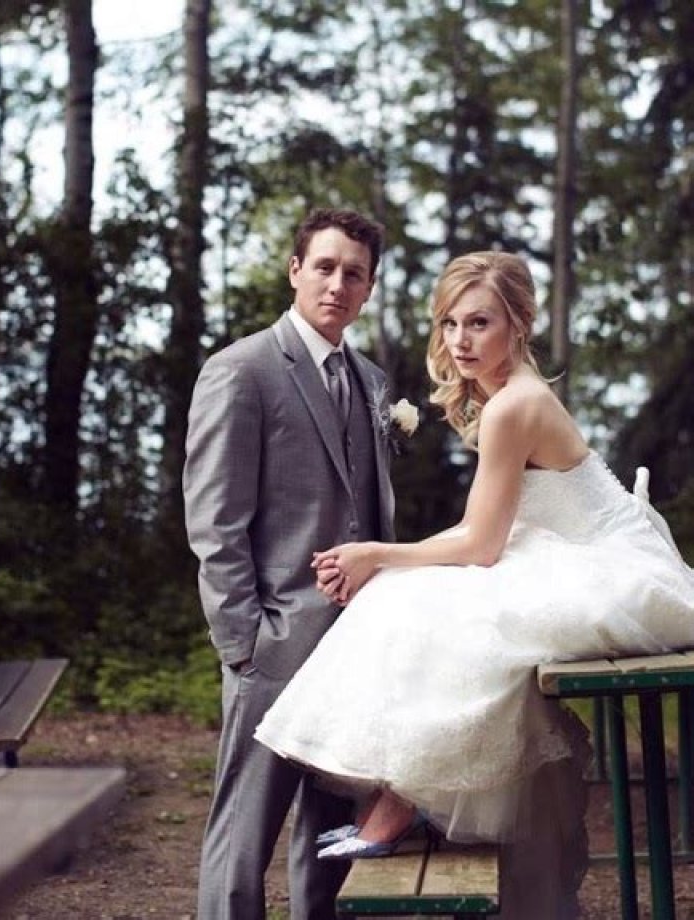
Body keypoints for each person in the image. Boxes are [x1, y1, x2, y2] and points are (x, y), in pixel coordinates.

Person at [255, 250, 694, 918]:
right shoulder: (505, 393)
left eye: (479, 323)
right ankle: (400, 798)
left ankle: (403, 799)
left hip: (605, 564)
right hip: (558, 549)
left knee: (438, 610)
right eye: (451, 323)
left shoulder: (514, 404)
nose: (460, 340)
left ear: (518, 324)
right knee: (410, 597)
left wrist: (376, 553)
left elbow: (481, 546)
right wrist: (388, 562)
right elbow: (483, 531)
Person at [183, 207, 396, 920]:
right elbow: (215, 522)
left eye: (354, 274)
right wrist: (244, 643)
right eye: (325, 267)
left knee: (328, 840)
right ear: (296, 270)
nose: (338, 284)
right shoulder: (240, 371)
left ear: (368, 289)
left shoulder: (371, 381)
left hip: (352, 647)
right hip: (272, 646)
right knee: (242, 840)